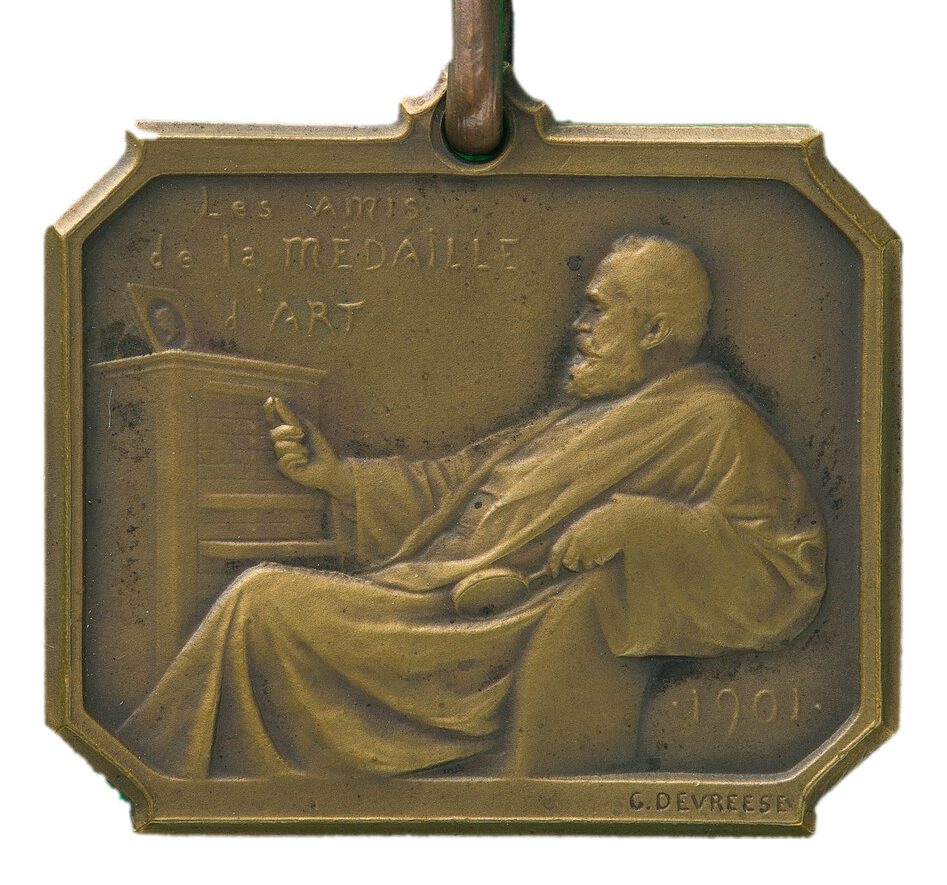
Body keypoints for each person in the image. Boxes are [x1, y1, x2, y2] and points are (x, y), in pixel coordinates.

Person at [118, 234, 826, 778]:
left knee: (260, 600)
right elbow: (454, 484)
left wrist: (642, 524)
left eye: (597, 309)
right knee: (261, 598)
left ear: (652, 331)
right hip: (419, 593)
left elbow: (786, 565)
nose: (577, 326)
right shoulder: (576, 414)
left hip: (477, 637)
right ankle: (165, 776)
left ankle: (154, 775)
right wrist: (338, 478)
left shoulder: (712, 420)